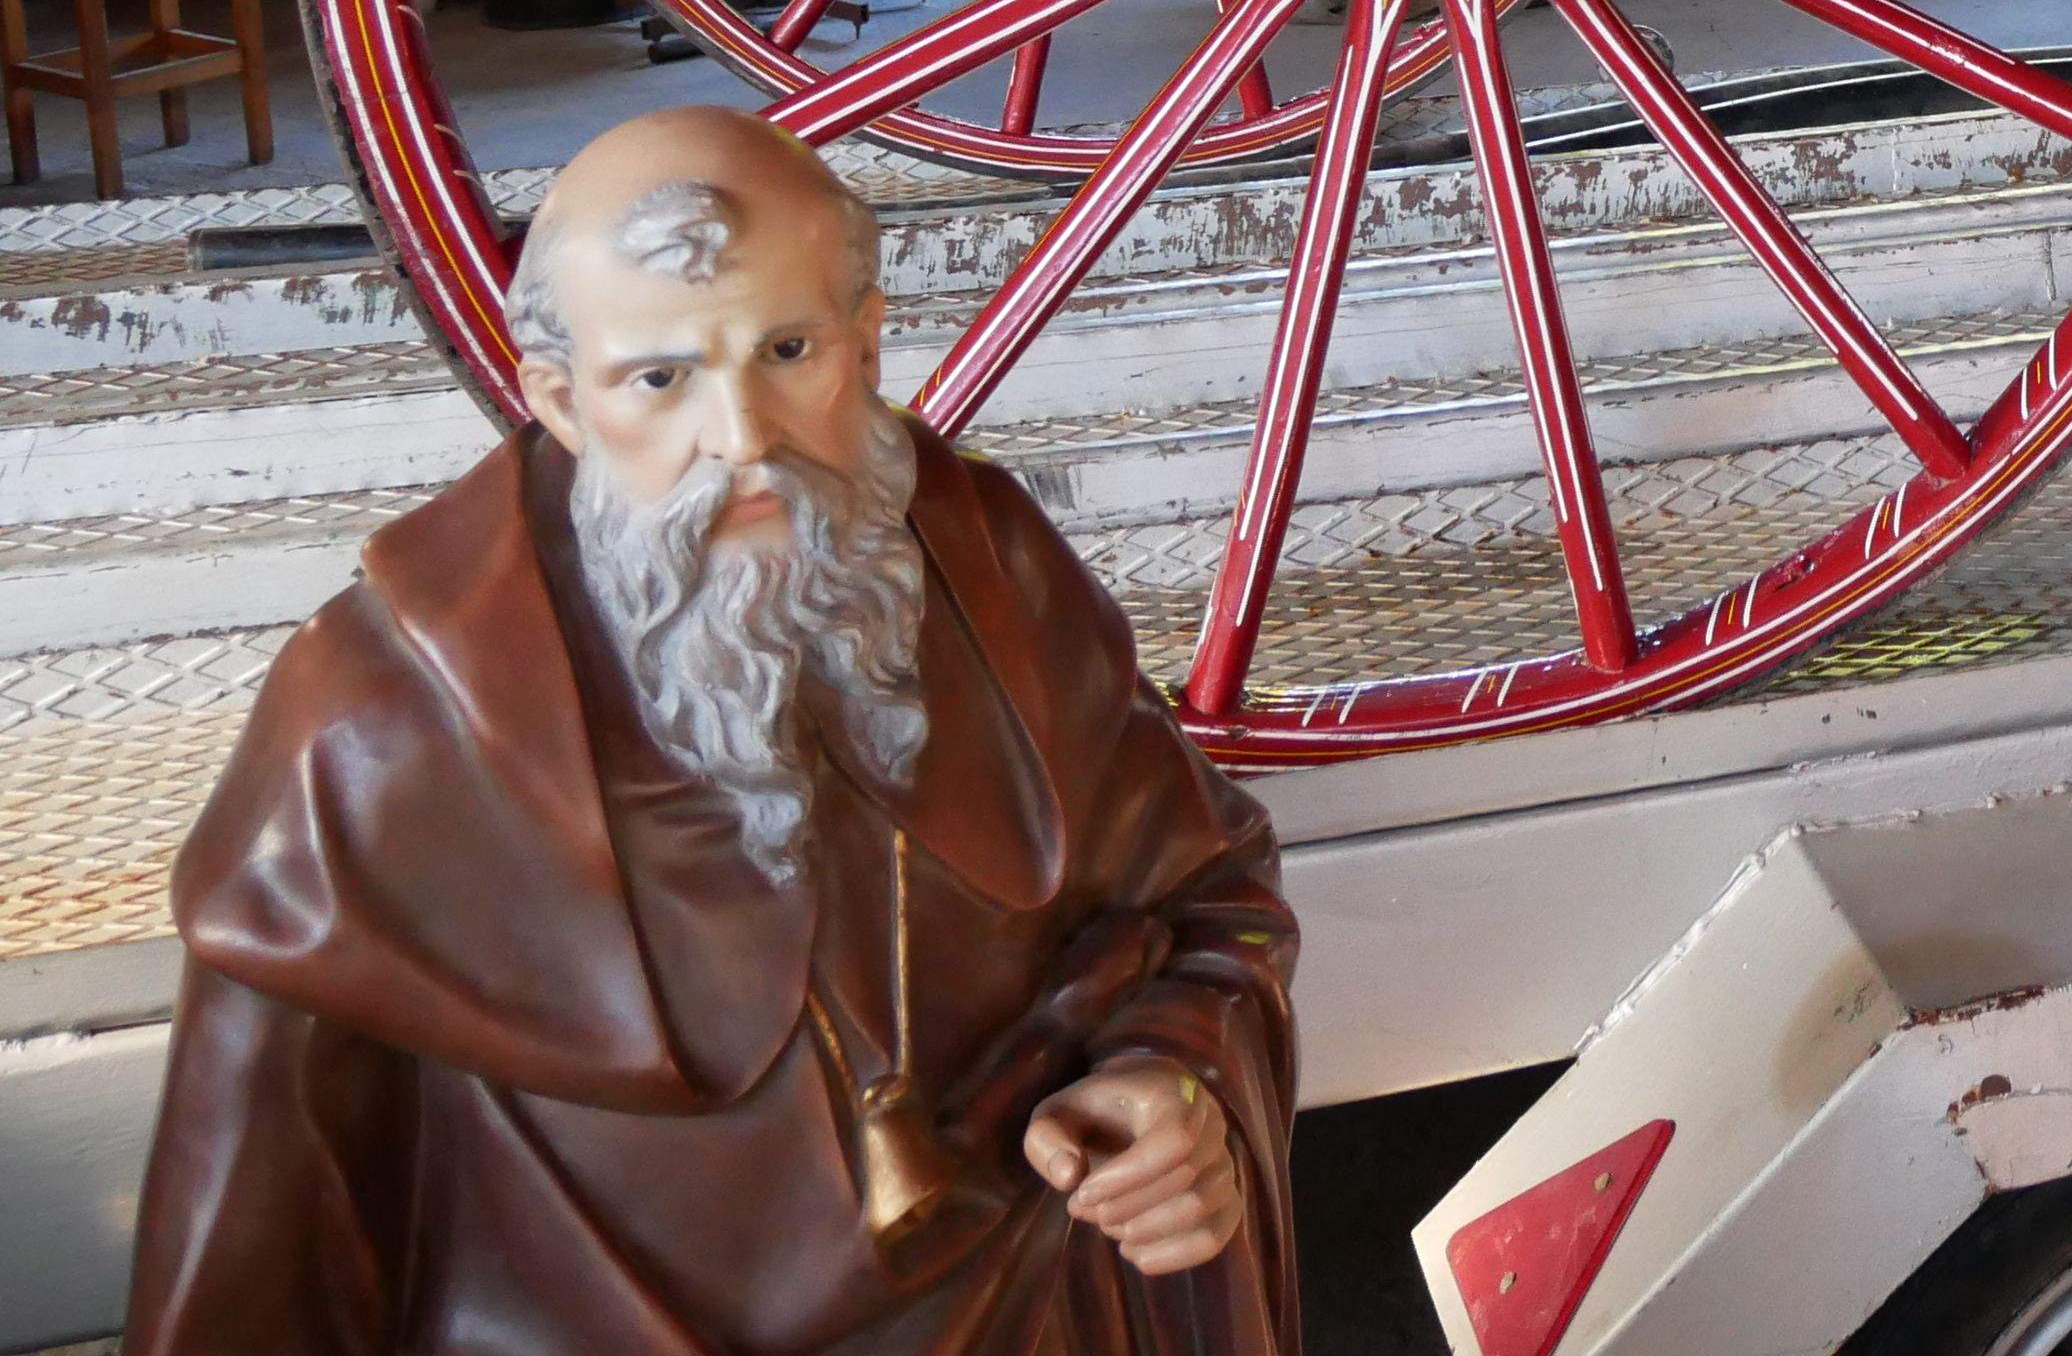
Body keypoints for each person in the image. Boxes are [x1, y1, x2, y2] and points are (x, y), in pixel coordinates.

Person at [125, 104, 1300, 1351]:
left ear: (868, 340)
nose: (743, 440)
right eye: (660, 376)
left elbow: (1208, 898)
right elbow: (257, 1237)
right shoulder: (382, 717)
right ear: (560, 402)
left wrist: (1166, 1075)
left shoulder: (988, 573)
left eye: (788, 349)